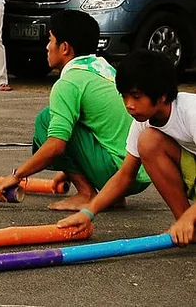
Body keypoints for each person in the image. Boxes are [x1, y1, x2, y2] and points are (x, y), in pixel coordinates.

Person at [0, 10, 151, 210]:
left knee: (47, 119)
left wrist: (17, 175)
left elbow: (56, 146)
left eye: (51, 40)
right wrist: (70, 169)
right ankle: (113, 195)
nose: (47, 47)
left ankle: (86, 194)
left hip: (117, 170)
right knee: (71, 120)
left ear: (65, 47)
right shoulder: (104, 68)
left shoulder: (69, 82)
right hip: (138, 173)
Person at [57, 50, 195, 246]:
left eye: (136, 97)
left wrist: (192, 214)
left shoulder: (191, 112)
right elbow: (124, 175)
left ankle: (188, 220)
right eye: (124, 96)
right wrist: (88, 212)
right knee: (148, 141)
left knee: (149, 141)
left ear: (162, 96)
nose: (128, 105)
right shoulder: (143, 123)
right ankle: (187, 225)